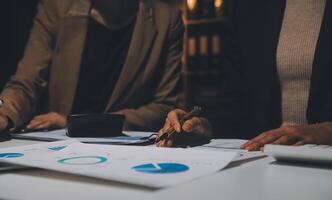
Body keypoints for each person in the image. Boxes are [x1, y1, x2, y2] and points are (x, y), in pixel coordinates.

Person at [157, 0, 332, 150]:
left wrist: (325, 131)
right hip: (263, 158)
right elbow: (236, 105)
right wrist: (201, 125)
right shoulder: (252, 8)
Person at [0, 0, 183, 133]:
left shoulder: (166, 19)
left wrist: (81, 123)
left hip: (125, 146)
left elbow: (164, 106)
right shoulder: (56, 7)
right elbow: (27, 81)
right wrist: (4, 113)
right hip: (57, 146)